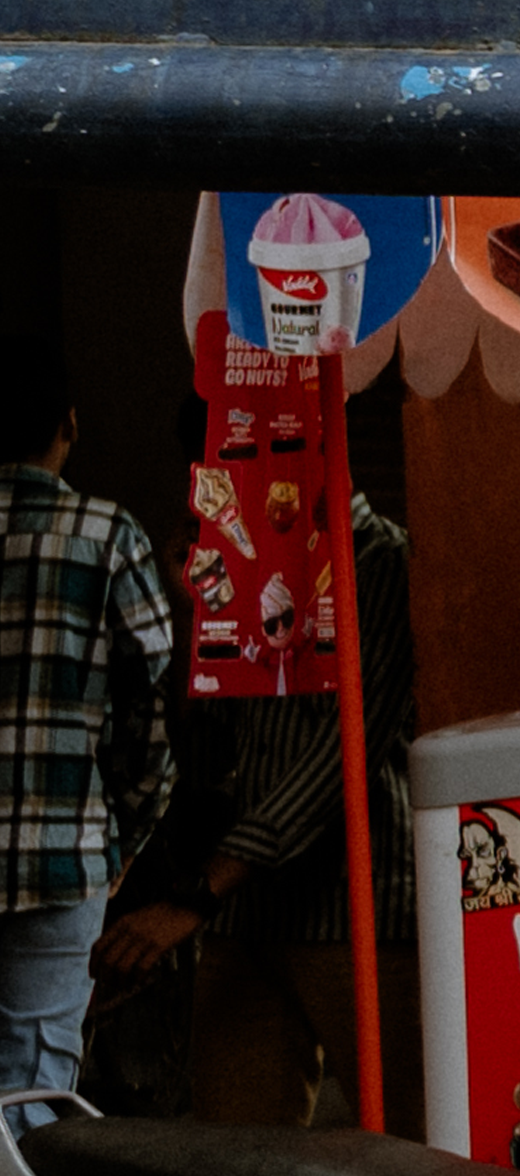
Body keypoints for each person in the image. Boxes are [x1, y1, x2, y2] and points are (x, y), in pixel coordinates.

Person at [97, 433, 421, 1136]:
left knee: (410, 1154)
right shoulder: (246, 566)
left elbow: (340, 757)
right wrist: (194, 615)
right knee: (234, 1160)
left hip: (354, 907)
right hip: (246, 912)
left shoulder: (380, 562)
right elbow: (210, 759)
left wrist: (196, 894)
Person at [0, 339, 173, 1132]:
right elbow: (153, 712)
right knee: (34, 1091)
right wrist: (123, 836)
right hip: (62, 861)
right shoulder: (107, 536)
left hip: (65, 857)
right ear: (67, 425)